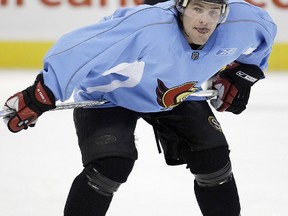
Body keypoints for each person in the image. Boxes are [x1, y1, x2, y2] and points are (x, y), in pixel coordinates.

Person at [2, 0, 276, 215]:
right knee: (110, 166)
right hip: (111, 95)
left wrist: (242, 73)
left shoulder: (243, 22)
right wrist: (44, 91)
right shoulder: (146, 26)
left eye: (214, 11)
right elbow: (79, 48)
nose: (205, 20)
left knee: (214, 159)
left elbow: (263, 35)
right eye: (197, 8)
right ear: (181, 6)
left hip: (177, 93)